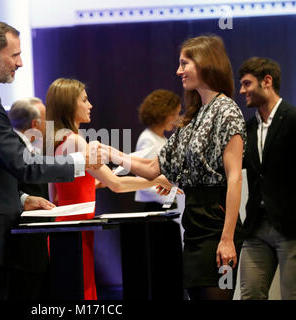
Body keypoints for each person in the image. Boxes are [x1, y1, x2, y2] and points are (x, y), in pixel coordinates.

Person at [0, 21, 103, 300]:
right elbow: (23, 164)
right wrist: (81, 161)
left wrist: (21, 199)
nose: (21, 63)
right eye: (14, 55)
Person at [101, 35, 246, 300]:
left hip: (216, 225)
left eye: (184, 63)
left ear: (205, 63)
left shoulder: (227, 110)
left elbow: (234, 178)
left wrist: (227, 238)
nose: (178, 71)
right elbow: (153, 167)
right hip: (193, 225)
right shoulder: (192, 116)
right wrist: (111, 153)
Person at [46, 78, 169, 300]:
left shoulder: (55, 140)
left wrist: (97, 182)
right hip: (77, 232)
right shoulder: (76, 141)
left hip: (63, 232)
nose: (90, 105)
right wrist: (157, 180)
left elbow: (57, 194)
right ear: (69, 105)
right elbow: (117, 184)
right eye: (84, 100)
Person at [238, 57, 296, 300]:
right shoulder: (247, 129)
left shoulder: (293, 119)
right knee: (250, 294)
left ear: (267, 81)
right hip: (256, 227)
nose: (241, 91)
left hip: (291, 226)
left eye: (246, 84)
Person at [7, 97, 51, 299]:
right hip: (23, 247)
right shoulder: (15, 149)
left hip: (30, 244)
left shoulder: (26, 148)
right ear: (35, 125)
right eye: (46, 119)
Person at [134, 89, 183, 212]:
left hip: (166, 203)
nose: (177, 119)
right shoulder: (147, 139)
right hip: (156, 207)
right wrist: (174, 196)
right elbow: (144, 182)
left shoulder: (163, 139)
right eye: (174, 114)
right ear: (162, 113)